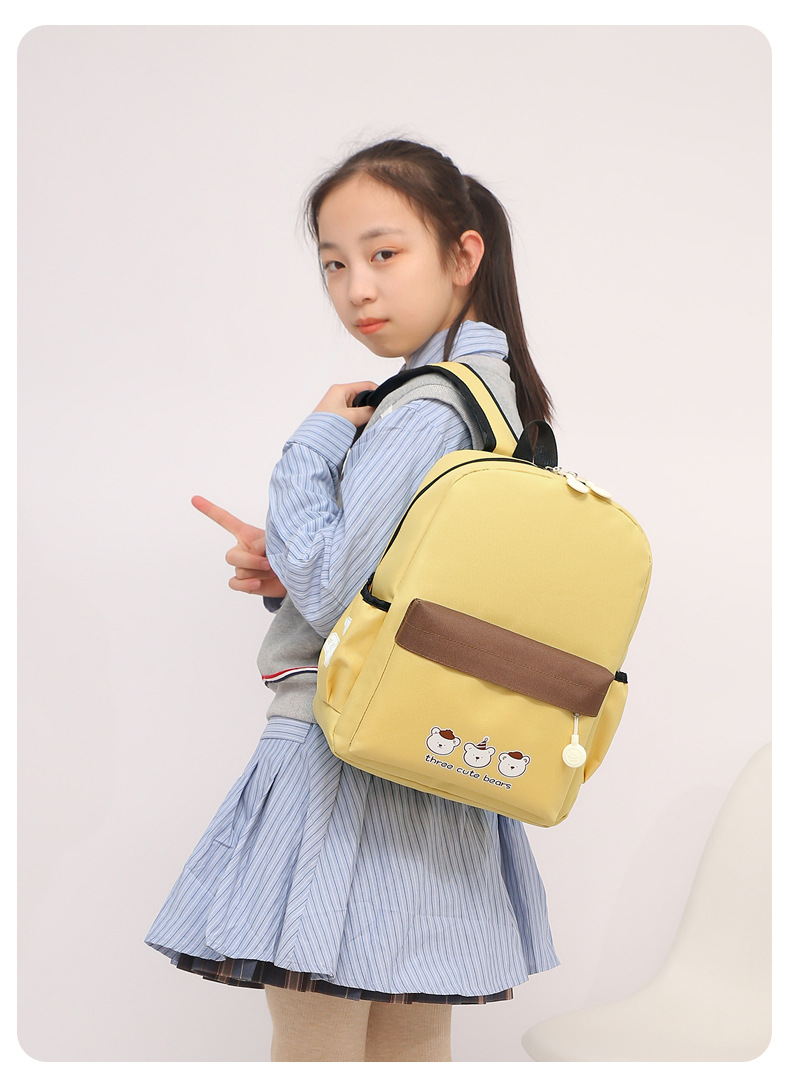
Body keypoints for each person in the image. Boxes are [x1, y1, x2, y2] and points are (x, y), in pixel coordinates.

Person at [144, 137, 559, 1062]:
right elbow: (403, 581)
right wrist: (294, 570)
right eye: (334, 264)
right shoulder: (499, 399)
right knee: (409, 1043)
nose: (357, 290)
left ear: (463, 254)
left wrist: (314, 443)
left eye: (384, 253)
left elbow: (337, 589)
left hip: (346, 757)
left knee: (318, 1048)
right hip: (433, 759)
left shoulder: (423, 406)